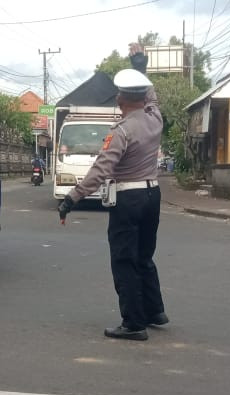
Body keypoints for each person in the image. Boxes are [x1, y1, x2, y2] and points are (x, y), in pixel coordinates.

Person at [58, 68, 167, 341]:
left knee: (124, 260)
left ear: (120, 100)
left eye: (119, 94)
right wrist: (139, 64)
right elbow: (150, 93)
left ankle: (133, 323)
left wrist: (73, 197)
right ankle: (155, 312)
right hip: (153, 196)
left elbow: (101, 170)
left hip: (128, 200)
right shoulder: (155, 119)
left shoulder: (122, 131)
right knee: (144, 256)